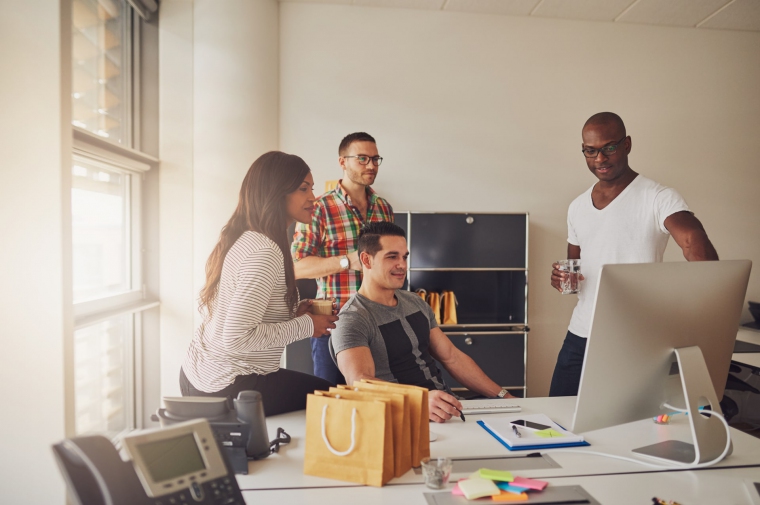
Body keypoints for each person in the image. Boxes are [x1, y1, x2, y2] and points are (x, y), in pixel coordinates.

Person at [549, 112, 719, 397]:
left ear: (627, 144)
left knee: (628, 427)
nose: (600, 158)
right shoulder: (577, 206)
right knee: (559, 419)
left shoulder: (658, 196)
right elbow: (576, 270)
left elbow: (692, 241)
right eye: (590, 151)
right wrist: (562, 279)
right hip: (581, 334)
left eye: (609, 148)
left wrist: (706, 304)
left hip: (634, 339)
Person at [180, 151, 340, 416]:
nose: (313, 197)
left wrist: (294, 313)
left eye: (311, 188)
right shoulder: (264, 252)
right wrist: (307, 325)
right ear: (276, 193)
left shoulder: (251, 238)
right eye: (303, 189)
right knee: (333, 401)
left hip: (199, 375)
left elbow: (245, 316)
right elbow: (237, 338)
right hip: (228, 385)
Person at [329, 222, 514, 423]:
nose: (402, 265)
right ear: (366, 259)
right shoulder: (351, 318)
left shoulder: (414, 301)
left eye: (404, 257)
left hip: (444, 410)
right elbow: (360, 383)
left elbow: (452, 357)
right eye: (392, 257)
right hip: (400, 417)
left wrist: (504, 396)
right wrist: (420, 399)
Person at [291, 132, 394, 384]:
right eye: (362, 158)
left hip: (379, 323)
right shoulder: (318, 208)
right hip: (334, 324)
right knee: (332, 403)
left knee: (376, 401)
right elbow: (297, 267)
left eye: (375, 159)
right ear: (342, 162)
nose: (371, 165)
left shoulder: (384, 208)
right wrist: (349, 260)